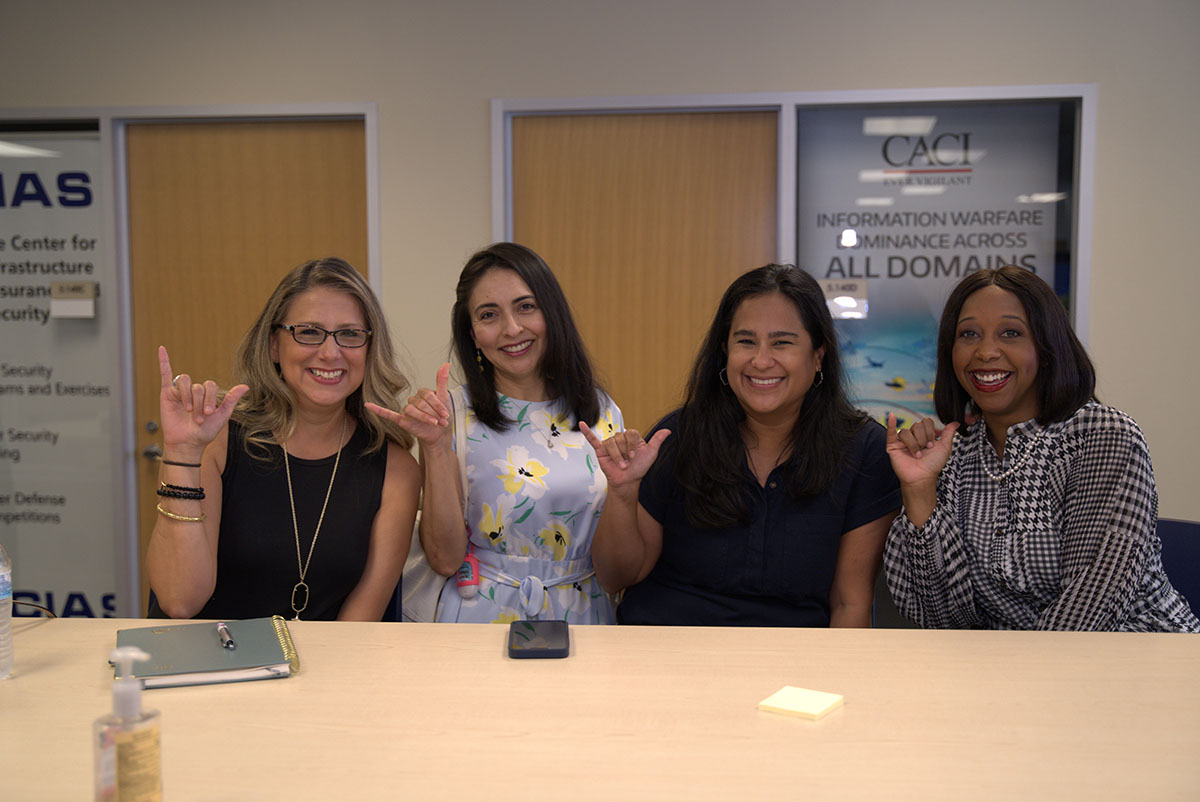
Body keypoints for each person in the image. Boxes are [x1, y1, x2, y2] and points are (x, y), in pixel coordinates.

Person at [582, 264, 900, 627]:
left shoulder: (863, 450)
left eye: (782, 342)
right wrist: (622, 493)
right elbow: (617, 577)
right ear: (725, 352)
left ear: (818, 355)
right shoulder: (679, 437)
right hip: (666, 656)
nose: (761, 361)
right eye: (746, 341)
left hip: (793, 668)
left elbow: (850, 603)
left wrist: (834, 684)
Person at [883, 265, 1198, 631]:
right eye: (969, 334)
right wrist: (919, 491)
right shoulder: (952, 457)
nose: (985, 352)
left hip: (1137, 657)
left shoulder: (1102, 436)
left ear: (1047, 348)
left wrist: (1011, 681)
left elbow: (1091, 606)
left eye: (1011, 333)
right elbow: (942, 619)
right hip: (1006, 669)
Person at [147, 258, 421, 621]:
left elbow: (360, 628)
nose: (329, 352)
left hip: (326, 669)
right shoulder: (217, 441)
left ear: (370, 349)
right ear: (274, 346)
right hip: (209, 667)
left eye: (350, 334)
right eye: (308, 331)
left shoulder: (396, 469)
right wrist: (181, 453)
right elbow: (180, 601)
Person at [367, 243, 621, 624]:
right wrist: (434, 446)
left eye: (526, 306)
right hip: (479, 618)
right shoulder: (450, 414)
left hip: (583, 616)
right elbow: (444, 557)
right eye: (489, 315)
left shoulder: (602, 410)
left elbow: (619, 561)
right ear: (472, 335)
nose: (512, 329)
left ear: (552, 313)